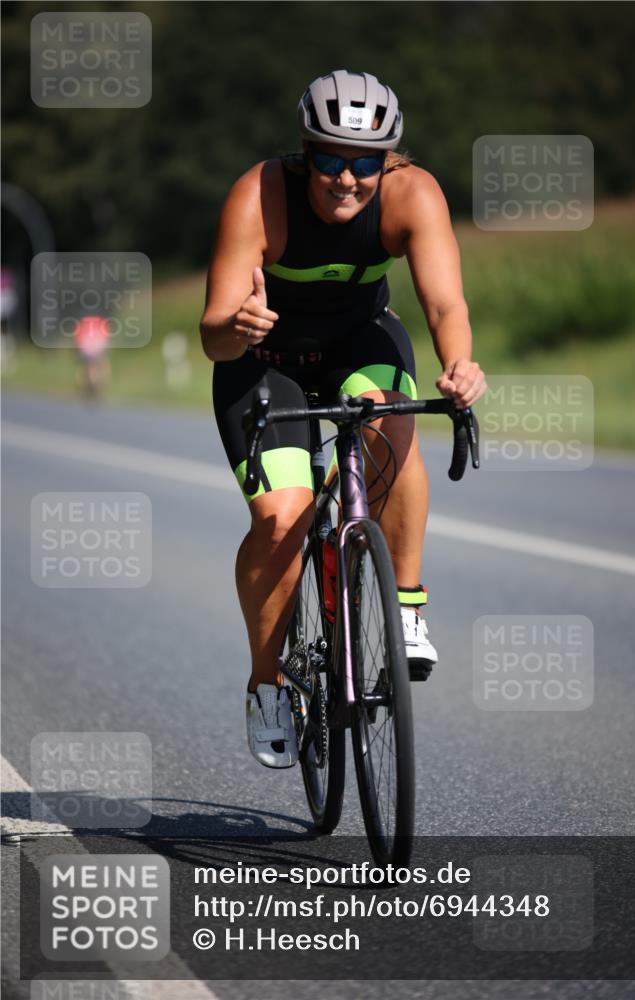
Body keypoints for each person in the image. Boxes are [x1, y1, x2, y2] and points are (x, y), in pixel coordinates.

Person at [200, 70, 486, 769]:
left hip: (361, 340)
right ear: (305, 153)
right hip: (264, 358)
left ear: (390, 161)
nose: (345, 179)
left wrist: (459, 366)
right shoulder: (260, 193)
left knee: (393, 417)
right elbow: (211, 333)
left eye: (364, 163)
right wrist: (237, 326)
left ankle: (407, 610)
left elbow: (445, 305)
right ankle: (267, 684)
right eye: (328, 159)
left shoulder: (412, 193)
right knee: (281, 516)